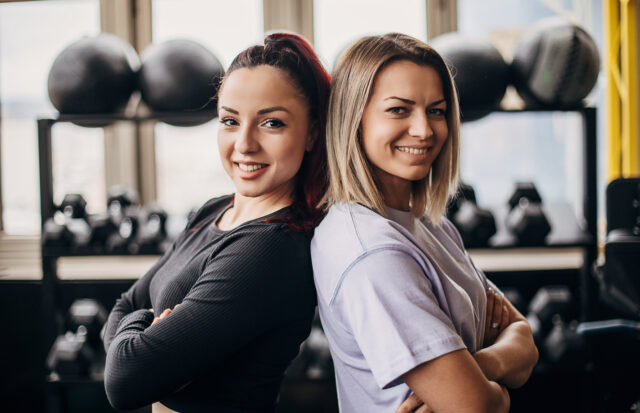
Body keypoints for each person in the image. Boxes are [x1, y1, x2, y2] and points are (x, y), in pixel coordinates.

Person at [102, 33, 331, 413]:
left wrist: (137, 336)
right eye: (229, 120)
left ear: (312, 133)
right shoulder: (214, 210)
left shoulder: (270, 249)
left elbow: (125, 380)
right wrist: (144, 327)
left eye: (271, 123)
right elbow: (125, 304)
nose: (244, 143)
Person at [311, 33, 538, 413]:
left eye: (436, 110)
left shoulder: (433, 227)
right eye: (399, 109)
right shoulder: (372, 253)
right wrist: (489, 386)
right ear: (354, 118)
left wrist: (480, 367)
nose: (425, 130)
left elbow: (524, 339)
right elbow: (476, 406)